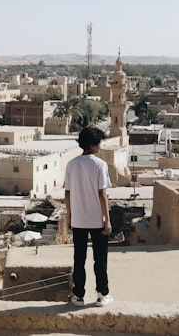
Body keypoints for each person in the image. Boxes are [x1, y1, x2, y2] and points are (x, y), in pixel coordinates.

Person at [64, 126, 113, 306]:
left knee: (79, 260)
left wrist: (69, 218)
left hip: (78, 221)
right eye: (99, 142)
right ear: (93, 145)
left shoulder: (71, 164)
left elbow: (67, 194)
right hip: (97, 221)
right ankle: (102, 294)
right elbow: (102, 194)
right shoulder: (100, 165)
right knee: (99, 260)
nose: (100, 145)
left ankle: (78, 296)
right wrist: (107, 220)